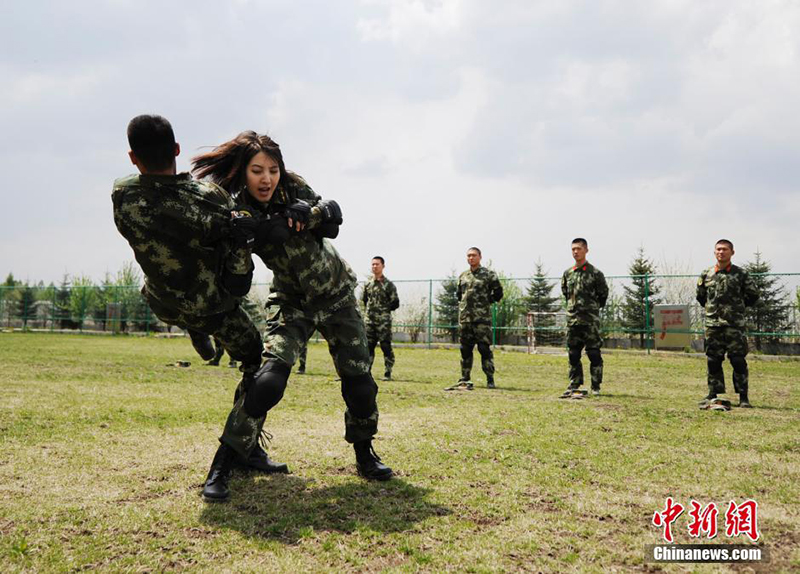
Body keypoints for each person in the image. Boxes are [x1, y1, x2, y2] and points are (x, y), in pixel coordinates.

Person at [192, 131, 393, 501]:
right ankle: (225, 463)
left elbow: (332, 221)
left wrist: (308, 213)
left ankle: (365, 453)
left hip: (337, 295)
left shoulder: (293, 186)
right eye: (257, 171)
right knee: (267, 383)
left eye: (273, 170)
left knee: (360, 385)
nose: (266, 179)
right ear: (243, 172)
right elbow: (237, 280)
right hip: (292, 302)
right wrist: (241, 240)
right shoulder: (238, 210)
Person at [112, 114, 286, 476]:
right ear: (177, 149)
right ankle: (248, 447)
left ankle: (193, 329)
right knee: (256, 361)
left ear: (132, 157)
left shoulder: (122, 194)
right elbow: (238, 279)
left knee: (182, 301)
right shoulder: (210, 199)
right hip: (211, 308)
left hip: (162, 302)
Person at [696, 239, 759, 408]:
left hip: (734, 325)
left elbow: (753, 295)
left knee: (738, 360)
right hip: (713, 325)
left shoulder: (741, 274)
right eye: (718, 249)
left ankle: (743, 397)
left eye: (724, 249)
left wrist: (737, 309)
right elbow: (701, 297)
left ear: (732, 252)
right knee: (713, 360)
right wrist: (713, 310)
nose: (721, 252)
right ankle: (713, 393)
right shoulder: (706, 274)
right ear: (714, 252)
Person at [560, 238, 609, 398]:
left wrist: (591, 309)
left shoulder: (595, 273)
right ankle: (575, 383)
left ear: (586, 250)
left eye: (579, 249)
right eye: (573, 249)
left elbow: (603, 295)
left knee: (593, 353)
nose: (576, 252)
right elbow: (566, 293)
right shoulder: (568, 273)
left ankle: (596, 385)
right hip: (573, 320)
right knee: (573, 354)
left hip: (590, 321)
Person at [450, 247, 503, 389]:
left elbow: (498, 293)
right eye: (468, 256)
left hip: (482, 320)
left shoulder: (489, 275)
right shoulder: (463, 276)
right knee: (465, 349)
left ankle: (490, 379)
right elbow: (459, 295)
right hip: (465, 319)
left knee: (484, 349)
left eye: (473, 255)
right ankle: (465, 377)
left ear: (480, 257)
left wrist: (486, 302)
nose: (471, 258)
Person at [361, 256, 400, 381]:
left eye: (377, 264)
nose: (374, 266)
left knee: (385, 346)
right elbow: (364, 300)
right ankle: (367, 372)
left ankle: (388, 372)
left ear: (383, 266)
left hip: (383, 323)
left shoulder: (388, 285)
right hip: (369, 322)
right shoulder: (368, 284)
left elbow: (395, 303)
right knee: (368, 347)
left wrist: (383, 311)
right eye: (373, 264)